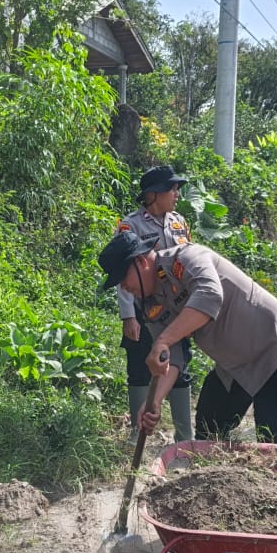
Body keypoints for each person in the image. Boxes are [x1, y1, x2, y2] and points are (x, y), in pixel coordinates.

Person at [97, 232, 277, 444]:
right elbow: (174, 356)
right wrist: (154, 402)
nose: (123, 287)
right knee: (210, 422)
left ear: (141, 261)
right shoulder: (150, 303)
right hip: (234, 364)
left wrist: (163, 340)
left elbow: (210, 295)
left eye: (123, 278)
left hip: (274, 347)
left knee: (276, 443)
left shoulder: (187, 258)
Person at [115, 166, 194, 445]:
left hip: (178, 309)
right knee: (139, 366)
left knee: (180, 364)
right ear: (152, 194)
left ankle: (185, 438)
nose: (176, 193)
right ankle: (138, 435)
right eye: (171, 188)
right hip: (142, 307)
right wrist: (128, 315)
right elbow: (124, 274)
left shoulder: (179, 222)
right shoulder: (131, 225)